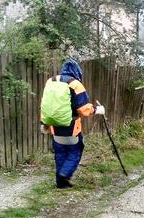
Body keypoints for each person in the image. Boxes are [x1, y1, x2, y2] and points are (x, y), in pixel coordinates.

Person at [40, 59, 105, 189]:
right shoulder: (75, 84)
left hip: (54, 125)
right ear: (77, 73)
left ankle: (61, 183)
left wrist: (44, 122)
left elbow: (45, 104)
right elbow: (83, 108)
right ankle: (65, 174)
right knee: (75, 151)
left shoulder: (51, 81)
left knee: (60, 153)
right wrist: (97, 110)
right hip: (71, 126)